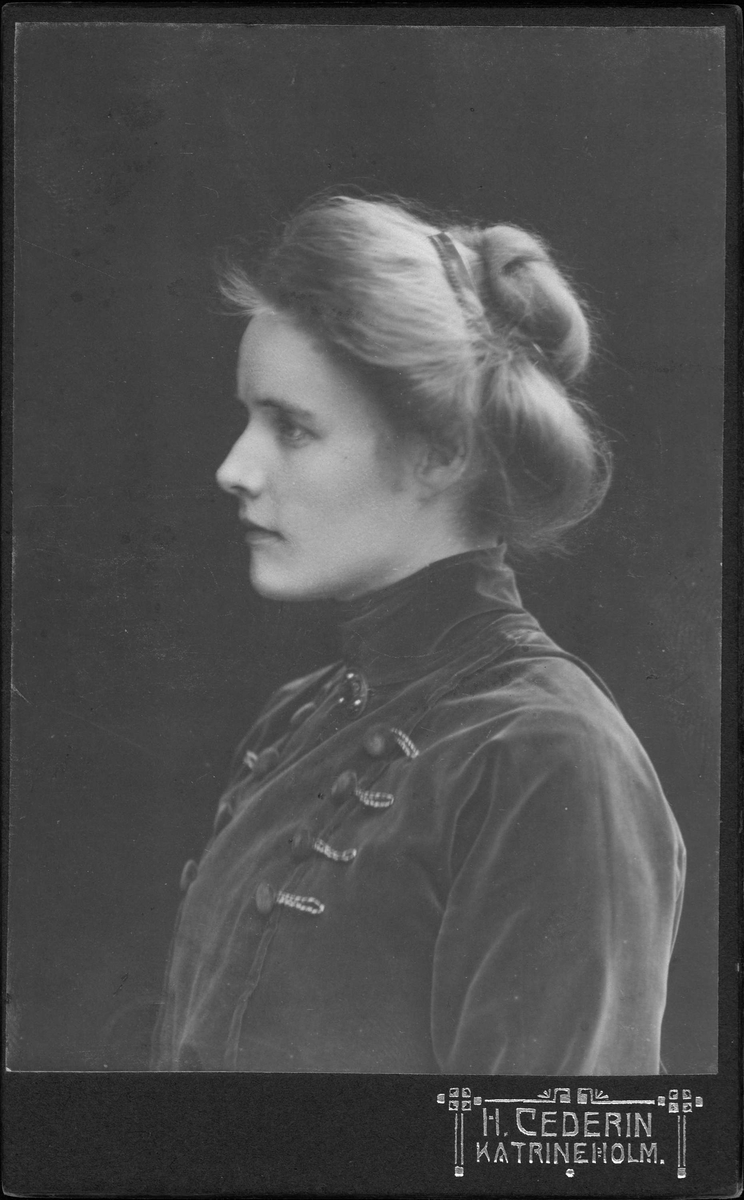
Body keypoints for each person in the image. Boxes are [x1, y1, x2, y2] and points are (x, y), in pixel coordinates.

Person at [151, 194, 686, 1074]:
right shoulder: (301, 716)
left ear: (441, 450)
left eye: (292, 427)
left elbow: (547, 1144)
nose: (234, 468)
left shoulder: (547, 755)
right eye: (249, 419)